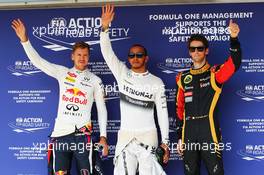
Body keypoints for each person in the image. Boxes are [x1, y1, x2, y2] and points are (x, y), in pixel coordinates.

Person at [12, 19, 108, 175]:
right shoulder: (63, 73)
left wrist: (103, 137)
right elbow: (39, 62)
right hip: (60, 136)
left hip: (83, 137)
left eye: (85, 55)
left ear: (89, 57)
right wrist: (25, 40)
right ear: (72, 56)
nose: (82, 58)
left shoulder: (96, 81)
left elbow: (102, 110)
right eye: (79, 54)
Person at [100, 4, 170, 175]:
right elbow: (107, 53)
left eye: (139, 55)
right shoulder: (122, 74)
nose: (135, 58)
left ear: (146, 58)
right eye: (132, 55)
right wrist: (104, 29)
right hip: (125, 136)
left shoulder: (156, 81)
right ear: (128, 58)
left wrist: (166, 142)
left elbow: (162, 113)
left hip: (149, 135)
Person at [175, 20, 241, 175]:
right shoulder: (182, 78)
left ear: (206, 51)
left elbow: (234, 63)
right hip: (188, 132)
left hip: (208, 130)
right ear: (189, 52)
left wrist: (234, 39)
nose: (196, 51)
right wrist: (180, 136)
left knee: (216, 172)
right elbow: (179, 109)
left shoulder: (215, 73)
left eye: (200, 48)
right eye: (193, 49)